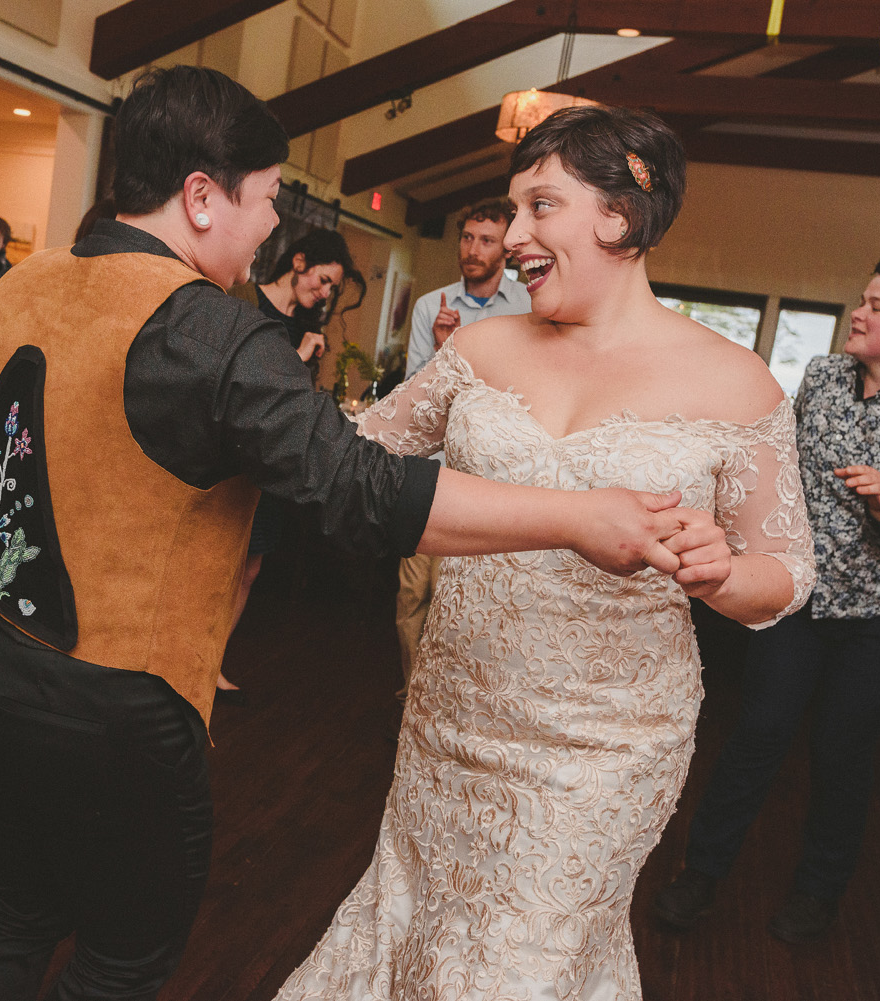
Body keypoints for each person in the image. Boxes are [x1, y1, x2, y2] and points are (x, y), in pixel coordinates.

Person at [0, 69, 704, 1001]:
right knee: (120, 957)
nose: (269, 232)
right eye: (265, 202)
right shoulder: (217, 333)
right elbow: (362, 495)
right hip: (116, 708)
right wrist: (579, 516)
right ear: (203, 198)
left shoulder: (23, 279)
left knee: (13, 909)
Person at [272, 105, 814, 1001]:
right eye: (513, 211)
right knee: (421, 932)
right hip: (453, 713)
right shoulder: (480, 349)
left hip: (605, 744)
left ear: (618, 217)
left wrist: (721, 571)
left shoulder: (737, 382)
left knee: (518, 966)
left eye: (539, 207)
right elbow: (356, 459)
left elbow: (787, 576)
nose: (512, 236)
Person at [655, 252, 880, 944]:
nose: (857, 313)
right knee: (756, 735)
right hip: (800, 596)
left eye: (877, 306)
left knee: (843, 753)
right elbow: (779, 468)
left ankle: (816, 893)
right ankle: (701, 873)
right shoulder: (823, 376)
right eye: (861, 299)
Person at [395, 197, 532, 699]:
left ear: (506, 249)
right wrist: (439, 351)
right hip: (430, 473)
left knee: (474, 595)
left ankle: (459, 697)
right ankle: (413, 695)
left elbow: (526, 395)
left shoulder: (528, 309)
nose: (473, 249)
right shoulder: (432, 306)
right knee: (414, 593)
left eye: (487, 240)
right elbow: (412, 399)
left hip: (495, 480)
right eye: (468, 237)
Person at [220, 228, 363, 702]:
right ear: (298, 262)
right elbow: (239, 380)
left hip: (272, 463)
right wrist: (297, 356)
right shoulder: (243, 300)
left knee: (250, 568)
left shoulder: (308, 324)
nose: (323, 293)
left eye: (330, 289)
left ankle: (214, 661)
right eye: (322, 280)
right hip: (230, 461)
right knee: (216, 563)